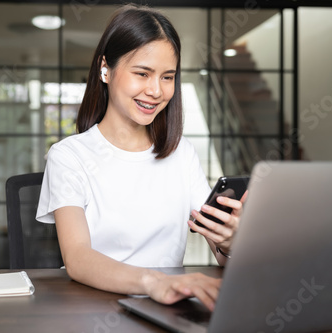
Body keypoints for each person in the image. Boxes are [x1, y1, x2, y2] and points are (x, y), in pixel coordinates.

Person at [36, 4, 245, 311]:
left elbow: (219, 248)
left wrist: (229, 242)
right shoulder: (69, 156)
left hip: (168, 308)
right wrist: (154, 282)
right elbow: (78, 258)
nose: (156, 91)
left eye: (167, 77)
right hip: (95, 310)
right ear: (105, 69)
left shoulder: (181, 154)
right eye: (142, 73)